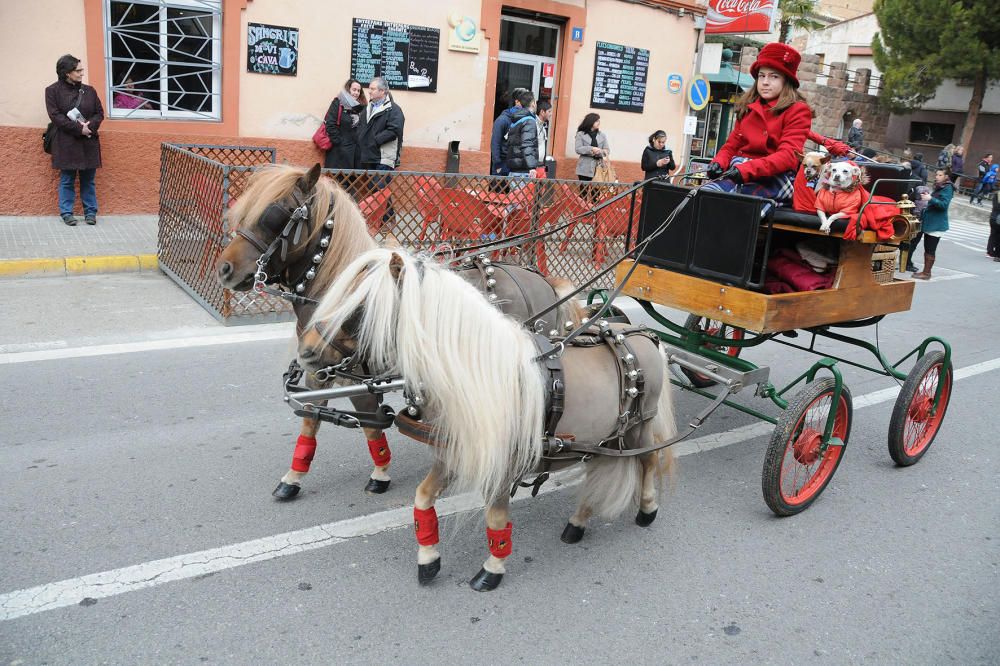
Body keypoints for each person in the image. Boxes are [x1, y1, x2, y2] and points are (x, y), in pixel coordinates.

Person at [702, 42, 811, 207]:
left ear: (786, 81)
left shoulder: (797, 110)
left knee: (731, 206)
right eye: (762, 75)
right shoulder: (748, 107)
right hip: (739, 172)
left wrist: (746, 169)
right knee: (702, 196)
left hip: (774, 177)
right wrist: (718, 162)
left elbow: (788, 156)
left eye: (774, 76)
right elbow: (732, 145)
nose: (765, 82)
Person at [45, 54, 104, 226]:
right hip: (66, 142)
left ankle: (90, 213)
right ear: (66, 73)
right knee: (67, 179)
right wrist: (80, 129)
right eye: (78, 70)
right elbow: (55, 116)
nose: (81, 73)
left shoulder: (89, 90)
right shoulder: (52, 91)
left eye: (81, 69)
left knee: (88, 180)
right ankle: (66, 212)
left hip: (88, 141)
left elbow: (99, 113)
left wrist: (90, 126)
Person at [357, 77, 403, 227]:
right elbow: (362, 128)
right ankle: (381, 220)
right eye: (369, 88)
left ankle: (388, 220)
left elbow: (394, 130)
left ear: (382, 91)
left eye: (372, 89)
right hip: (369, 156)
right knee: (374, 189)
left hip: (384, 157)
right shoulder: (368, 107)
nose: (369, 91)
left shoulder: (394, 110)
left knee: (380, 188)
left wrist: (375, 141)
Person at [912, 168, 953, 280]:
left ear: (946, 176)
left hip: (936, 223)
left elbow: (944, 205)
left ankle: (927, 273)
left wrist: (930, 199)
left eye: (940, 175)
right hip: (931, 222)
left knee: (930, 249)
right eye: (936, 174)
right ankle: (926, 272)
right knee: (928, 248)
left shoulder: (948, 188)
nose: (937, 177)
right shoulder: (941, 187)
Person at [323, 78, 366, 170]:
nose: (356, 93)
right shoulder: (338, 103)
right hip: (339, 152)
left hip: (355, 154)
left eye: (358, 91)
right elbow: (330, 124)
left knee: (351, 180)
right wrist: (339, 142)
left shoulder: (362, 107)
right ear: (348, 89)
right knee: (338, 181)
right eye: (354, 90)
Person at [490, 87, 527, 177]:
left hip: (517, 166)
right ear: (517, 101)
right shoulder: (502, 120)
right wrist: (498, 164)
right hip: (502, 164)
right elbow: (495, 143)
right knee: (498, 191)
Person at [504, 91, 539, 180]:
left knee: (514, 194)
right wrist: (531, 166)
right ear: (533, 103)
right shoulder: (529, 121)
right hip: (523, 171)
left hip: (514, 169)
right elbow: (527, 143)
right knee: (522, 194)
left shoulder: (517, 119)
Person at [535, 100, 553, 175]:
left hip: (541, 165)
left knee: (542, 186)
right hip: (533, 166)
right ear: (542, 112)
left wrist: (545, 167)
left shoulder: (543, 126)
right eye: (549, 111)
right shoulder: (533, 124)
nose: (551, 114)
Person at [988, 188, 1000, 261]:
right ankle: (997, 255)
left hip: (993, 217)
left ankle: (990, 251)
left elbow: (995, 206)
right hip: (997, 218)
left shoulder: (996, 193)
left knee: (993, 234)